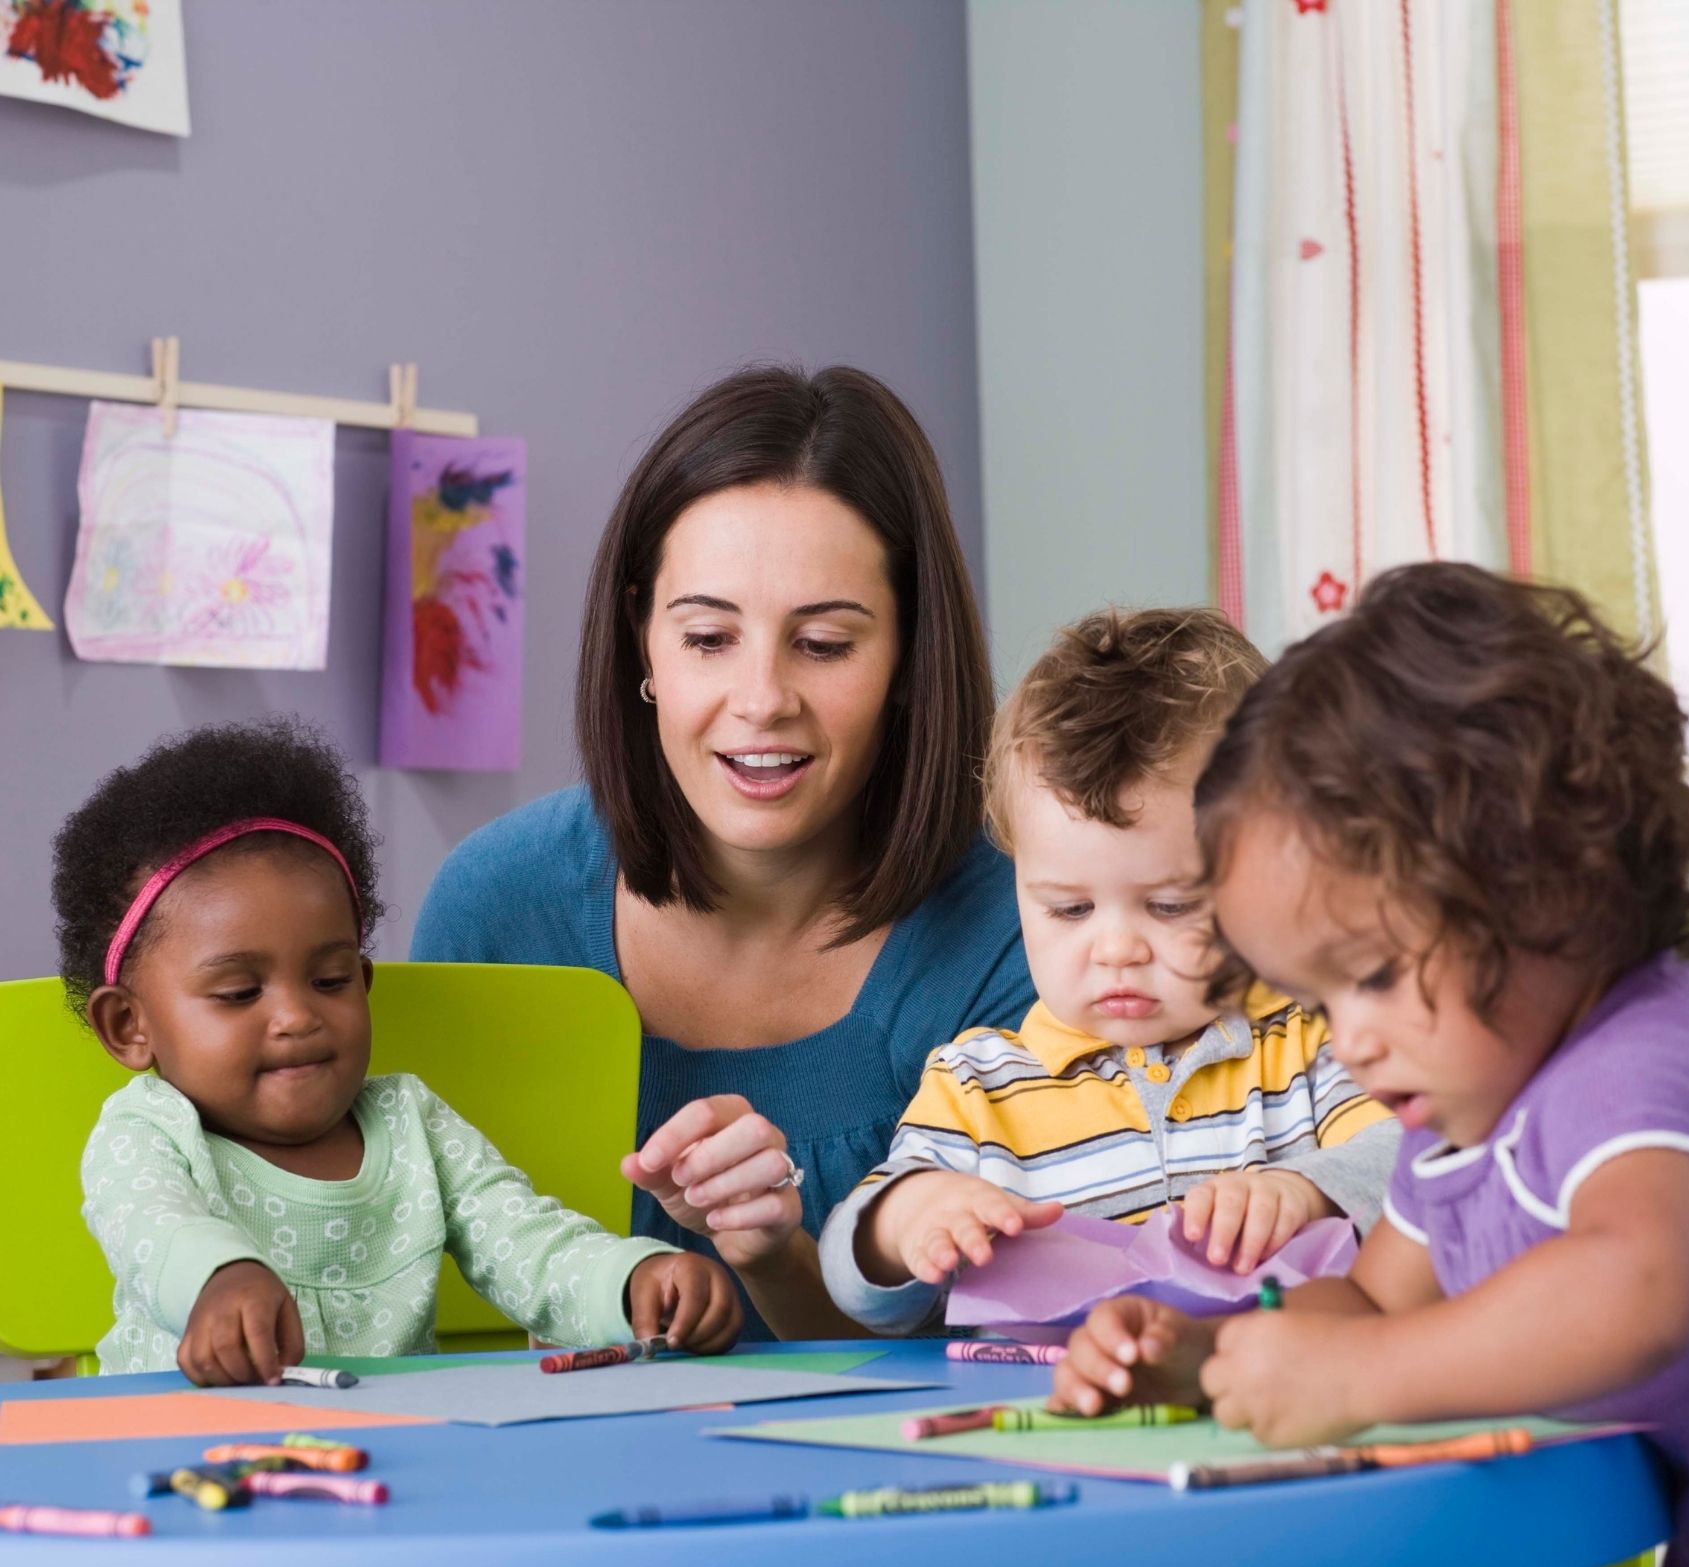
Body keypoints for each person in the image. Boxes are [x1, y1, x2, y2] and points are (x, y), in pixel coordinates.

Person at [1054, 563, 1689, 1567]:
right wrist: (1214, 1357)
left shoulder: (1642, 1060)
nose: (1351, 1042)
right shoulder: (1457, 1119)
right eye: (1319, 1003)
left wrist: (1356, 1378)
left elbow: (1635, 1286)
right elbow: (1371, 1306)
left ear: (1546, 873)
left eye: (1372, 974)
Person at [411, 366, 1035, 1337]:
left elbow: (991, 1367)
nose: (759, 698)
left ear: (910, 658)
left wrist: (773, 1253)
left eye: (822, 644)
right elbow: (418, 1306)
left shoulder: (1023, 933)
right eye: (707, 636)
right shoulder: (496, 907)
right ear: (641, 644)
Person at [59, 721, 740, 1383]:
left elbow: (527, 1243)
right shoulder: (145, 1134)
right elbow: (156, 1230)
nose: (297, 1017)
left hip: (391, 1455)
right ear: (128, 1026)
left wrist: (633, 1281)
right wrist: (220, 1278)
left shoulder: (410, 1123)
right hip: (188, 1450)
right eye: (239, 993)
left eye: (330, 980)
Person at [820, 608, 1397, 1334]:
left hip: (1268, 1408)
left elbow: (1423, 1165)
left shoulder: (1308, 1036)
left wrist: (1307, 1189)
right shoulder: (978, 1089)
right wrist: (908, 1219)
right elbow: (850, 1278)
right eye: (1068, 909)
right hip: (1049, 1422)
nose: (1116, 949)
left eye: (1170, 904)